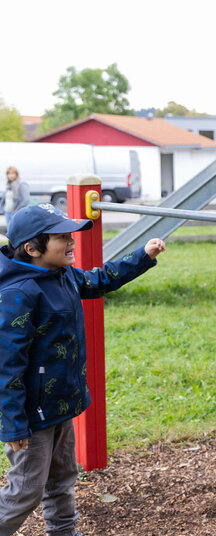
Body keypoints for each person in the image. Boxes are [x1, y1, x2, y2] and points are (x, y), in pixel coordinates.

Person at [0, 203, 167, 536]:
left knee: (62, 479)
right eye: (62, 237)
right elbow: (7, 366)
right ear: (32, 249)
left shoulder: (62, 275)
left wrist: (143, 256)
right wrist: (14, 424)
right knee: (25, 491)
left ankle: (64, 532)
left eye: (71, 235)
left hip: (61, 405)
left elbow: (100, 279)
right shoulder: (19, 293)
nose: (72, 242)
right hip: (33, 416)